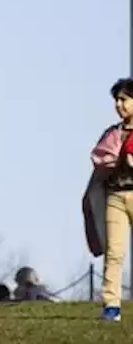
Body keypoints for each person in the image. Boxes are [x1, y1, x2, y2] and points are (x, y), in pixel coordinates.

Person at [90, 77, 133, 321]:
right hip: (116, 195)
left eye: (124, 99)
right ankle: (111, 305)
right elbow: (99, 161)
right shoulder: (112, 134)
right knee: (114, 252)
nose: (119, 105)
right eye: (116, 100)